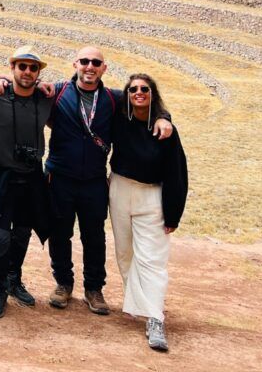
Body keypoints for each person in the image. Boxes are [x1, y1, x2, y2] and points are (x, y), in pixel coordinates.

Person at [43, 47, 172, 316]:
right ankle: (63, 284)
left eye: (96, 63)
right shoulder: (56, 92)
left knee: (94, 236)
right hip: (60, 177)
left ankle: (94, 289)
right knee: (60, 233)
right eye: (85, 61)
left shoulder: (114, 99)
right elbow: (24, 87)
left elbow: (145, 104)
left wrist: (163, 117)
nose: (90, 66)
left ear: (104, 68)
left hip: (93, 179)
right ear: (75, 63)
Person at [109, 73, 188, 352]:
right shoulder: (119, 117)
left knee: (152, 258)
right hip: (119, 189)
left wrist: (173, 214)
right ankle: (137, 304)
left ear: (153, 94)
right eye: (133, 90)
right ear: (126, 94)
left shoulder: (165, 129)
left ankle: (155, 317)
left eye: (145, 89)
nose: (138, 93)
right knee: (125, 253)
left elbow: (177, 172)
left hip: (151, 196)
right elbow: (90, 87)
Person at [0, 46, 52, 318]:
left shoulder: (46, 99)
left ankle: (13, 279)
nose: (28, 72)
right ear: (12, 68)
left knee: (23, 231)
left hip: (32, 175)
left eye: (33, 68)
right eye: (22, 66)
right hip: (3, 175)